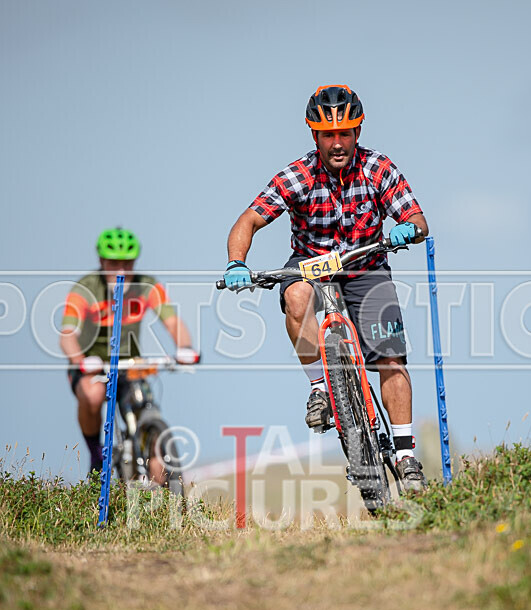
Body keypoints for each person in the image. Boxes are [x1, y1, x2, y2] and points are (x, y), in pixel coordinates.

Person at [223, 85, 428, 492]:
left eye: (346, 133)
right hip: (311, 267)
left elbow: (418, 219)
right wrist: (236, 262)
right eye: (328, 135)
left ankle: (405, 455)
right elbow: (248, 220)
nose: (338, 143)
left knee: (391, 360)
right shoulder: (296, 176)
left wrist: (410, 228)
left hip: (367, 267)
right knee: (295, 295)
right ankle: (320, 387)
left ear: (358, 132)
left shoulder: (378, 168)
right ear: (314, 135)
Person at [60, 227, 199, 474]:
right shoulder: (85, 288)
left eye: (127, 264)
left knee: (147, 409)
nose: (121, 271)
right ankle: (95, 453)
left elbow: (173, 322)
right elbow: (68, 334)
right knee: (93, 395)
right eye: (114, 264)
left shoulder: (146, 286)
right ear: (102, 261)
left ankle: (165, 491)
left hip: (130, 363)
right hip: (92, 364)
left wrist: (185, 348)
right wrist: (80, 359)